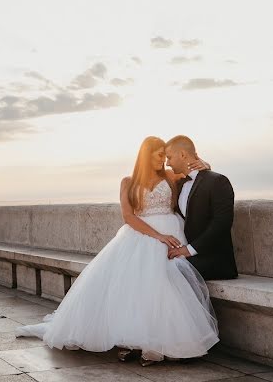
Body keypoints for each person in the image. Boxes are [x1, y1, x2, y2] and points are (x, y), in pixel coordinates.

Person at [15, 136, 219, 365]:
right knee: (133, 284)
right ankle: (134, 340)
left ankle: (159, 342)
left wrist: (205, 164)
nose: (164, 160)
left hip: (173, 234)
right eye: (159, 155)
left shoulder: (170, 177)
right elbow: (129, 216)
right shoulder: (128, 182)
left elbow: (194, 171)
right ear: (145, 155)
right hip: (142, 235)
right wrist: (158, 236)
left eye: (166, 155)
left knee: (164, 283)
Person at [165, 135, 238, 280]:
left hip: (215, 261)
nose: (167, 163)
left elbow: (221, 223)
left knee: (166, 272)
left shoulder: (217, 181)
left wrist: (189, 250)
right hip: (188, 256)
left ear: (182, 154)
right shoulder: (179, 184)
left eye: (169, 157)